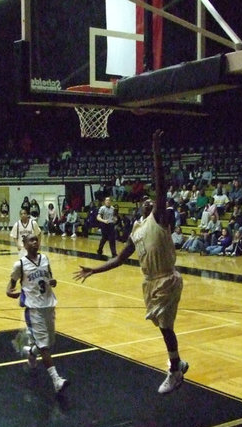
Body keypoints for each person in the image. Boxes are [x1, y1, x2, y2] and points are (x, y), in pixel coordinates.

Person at [74, 129, 188, 395]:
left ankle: (175, 370)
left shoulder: (158, 219)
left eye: (153, 200)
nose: (150, 201)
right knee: (162, 325)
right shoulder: (137, 232)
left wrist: (156, 150)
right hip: (150, 282)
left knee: (165, 326)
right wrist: (94, 269)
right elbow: (118, 259)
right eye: (145, 201)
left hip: (167, 279)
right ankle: (178, 361)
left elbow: (160, 184)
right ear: (140, 209)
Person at [7, 234, 68, 394]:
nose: (35, 242)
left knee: (50, 342)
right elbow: (11, 283)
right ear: (25, 244)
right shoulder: (20, 264)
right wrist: (9, 291)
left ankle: (31, 353)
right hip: (33, 309)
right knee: (44, 345)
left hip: (49, 305)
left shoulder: (45, 259)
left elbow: (50, 278)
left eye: (36, 240)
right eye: (31, 240)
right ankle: (56, 380)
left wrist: (53, 282)